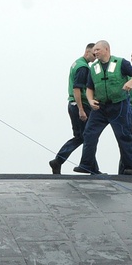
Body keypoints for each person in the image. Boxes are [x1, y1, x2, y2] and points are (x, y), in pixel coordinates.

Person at [76, 40, 132, 176]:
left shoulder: (121, 63)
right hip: (100, 107)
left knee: (123, 135)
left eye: (98, 49)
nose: (95, 52)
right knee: (89, 133)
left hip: (119, 105)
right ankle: (86, 164)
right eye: (94, 50)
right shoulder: (94, 68)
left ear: (106, 49)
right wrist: (90, 100)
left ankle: (130, 166)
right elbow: (89, 88)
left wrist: (130, 82)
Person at [49, 42, 96, 174]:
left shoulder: (77, 63)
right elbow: (77, 88)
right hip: (79, 105)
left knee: (83, 136)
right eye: (94, 54)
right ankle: (61, 160)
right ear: (87, 52)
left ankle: (59, 161)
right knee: (89, 136)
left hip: (73, 104)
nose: (95, 57)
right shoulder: (83, 67)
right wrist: (81, 109)